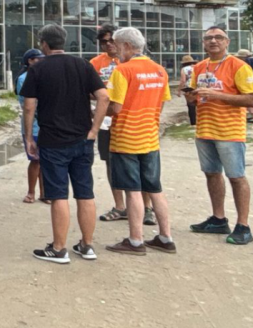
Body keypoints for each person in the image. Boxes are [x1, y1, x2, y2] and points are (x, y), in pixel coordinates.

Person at [22, 24, 108, 264]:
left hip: (52, 140)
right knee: (85, 192)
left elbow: (29, 106)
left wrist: (29, 137)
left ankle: (59, 248)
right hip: (82, 139)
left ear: (44, 44)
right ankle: (87, 245)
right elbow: (103, 96)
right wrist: (94, 129)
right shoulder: (82, 64)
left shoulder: (38, 69)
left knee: (59, 194)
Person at [104, 28, 176, 255]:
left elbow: (115, 107)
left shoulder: (122, 71)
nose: (113, 49)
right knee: (155, 188)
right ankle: (166, 237)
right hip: (150, 138)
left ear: (126, 46)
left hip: (126, 138)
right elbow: (162, 103)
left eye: (115, 44)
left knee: (132, 190)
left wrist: (97, 111)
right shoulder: (159, 70)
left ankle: (135, 241)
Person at [186, 26, 253, 245]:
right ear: (203, 42)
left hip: (229, 131)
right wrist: (191, 98)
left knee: (236, 177)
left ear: (227, 42)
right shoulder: (199, 67)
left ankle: (243, 225)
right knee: (212, 174)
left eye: (218, 37)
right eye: (208, 38)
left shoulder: (239, 66)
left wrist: (218, 95)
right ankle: (218, 218)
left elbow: (251, 99)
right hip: (205, 129)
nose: (213, 41)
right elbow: (195, 98)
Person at [94, 25, 155, 226]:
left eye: (112, 40)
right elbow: (89, 89)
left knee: (141, 166)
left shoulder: (133, 63)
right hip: (107, 122)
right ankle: (120, 206)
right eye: (104, 42)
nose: (109, 44)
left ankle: (146, 208)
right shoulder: (95, 63)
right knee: (112, 164)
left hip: (134, 122)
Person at [15, 49, 46, 204]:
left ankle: (44, 192)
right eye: (37, 59)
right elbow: (26, 104)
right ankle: (31, 192)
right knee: (35, 160)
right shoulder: (23, 79)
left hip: (46, 124)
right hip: (33, 124)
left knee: (45, 160)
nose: (40, 62)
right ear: (29, 61)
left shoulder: (46, 75)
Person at [179, 55, 197, 126]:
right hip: (196, 86)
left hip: (188, 88)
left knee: (191, 106)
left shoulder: (184, 69)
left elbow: (183, 80)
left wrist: (179, 90)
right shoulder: (196, 67)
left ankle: (193, 123)